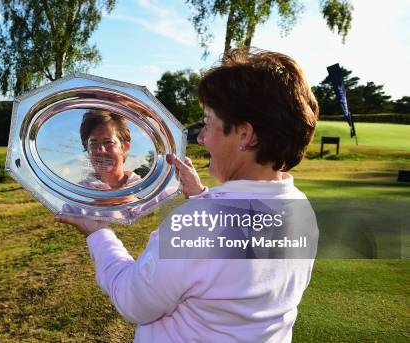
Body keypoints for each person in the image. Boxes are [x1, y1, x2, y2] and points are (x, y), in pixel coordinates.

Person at [55, 48, 320, 342]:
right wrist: (201, 198)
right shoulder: (299, 207)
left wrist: (98, 234)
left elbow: (133, 301)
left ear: (245, 135)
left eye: (208, 124)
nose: (202, 138)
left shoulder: (200, 224)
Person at [78, 110, 142, 190]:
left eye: (108, 142)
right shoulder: (77, 195)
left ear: (125, 147)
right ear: (87, 149)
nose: (100, 150)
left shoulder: (149, 190)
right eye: (93, 144)